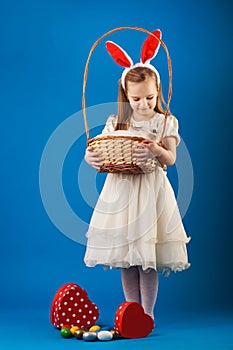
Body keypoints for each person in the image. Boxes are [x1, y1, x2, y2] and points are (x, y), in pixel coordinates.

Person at [83, 30, 190, 322]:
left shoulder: (164, 121)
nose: (143, 104)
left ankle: (149, 312)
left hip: (150, 192)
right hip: (122, 191)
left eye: (149, 97)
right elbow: (102, 155)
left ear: (157, 92)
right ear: (126, 95)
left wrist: (156, 149)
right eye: (137, 98)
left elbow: (170, 158)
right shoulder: (116, 122)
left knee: (147, 259)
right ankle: (131, 310)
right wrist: (90, 157)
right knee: (127, 260)